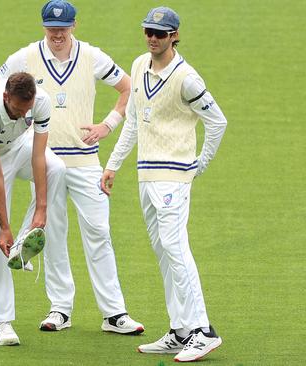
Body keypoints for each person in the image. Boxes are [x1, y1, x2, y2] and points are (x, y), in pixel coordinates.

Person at [0, 0, 144, 334]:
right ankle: (60, 309)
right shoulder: (23, 57)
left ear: (74, 26)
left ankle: (114, 313)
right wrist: (15, 127)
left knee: (99, 231)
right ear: (43, 27)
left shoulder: (92, 56)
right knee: (52, 234)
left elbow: (129, 88)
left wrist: (107, 125)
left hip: (85, 161)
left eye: (63, 28)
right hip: (46, 162)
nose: (57, 34)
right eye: (52, 29)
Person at [100, 7, 227, 363]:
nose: (153, 38)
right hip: (147, 173)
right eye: (149, 32)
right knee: (163, 252)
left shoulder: (187, 78)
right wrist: (113, 164)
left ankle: (203, 331)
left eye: (160, 33)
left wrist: (199, 164)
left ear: (174, 35)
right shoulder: (139, 65)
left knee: (175, 247)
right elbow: (133, 120)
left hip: (174, 175)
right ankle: (181, 330)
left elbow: (217, 121)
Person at [0, 71, 67, 345]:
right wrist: (4, 228)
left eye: (28, 110)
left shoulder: (40, 102)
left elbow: (38, 155)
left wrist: (41, 209)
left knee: (57, 167)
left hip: (19, 147)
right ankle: (2, 323)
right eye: (19, 110)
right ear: (6, 97)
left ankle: (22, 244)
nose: (24, 116)